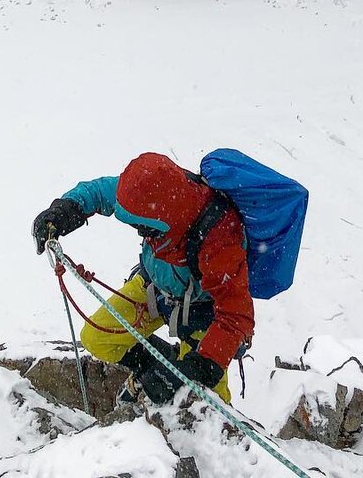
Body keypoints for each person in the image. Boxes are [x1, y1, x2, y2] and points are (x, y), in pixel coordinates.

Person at [32, 151, 254, 404]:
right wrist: (64, 210)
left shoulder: (220, 238)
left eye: (144, 228)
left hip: (205, 314)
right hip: (154, 289)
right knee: (97, 338)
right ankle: (156, 367)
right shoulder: (149, 192)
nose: (140, 234)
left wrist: (200, 367)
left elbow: (236, 315)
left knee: (210, 399)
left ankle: (214, 426)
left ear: (162, 217)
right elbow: (100, 192)